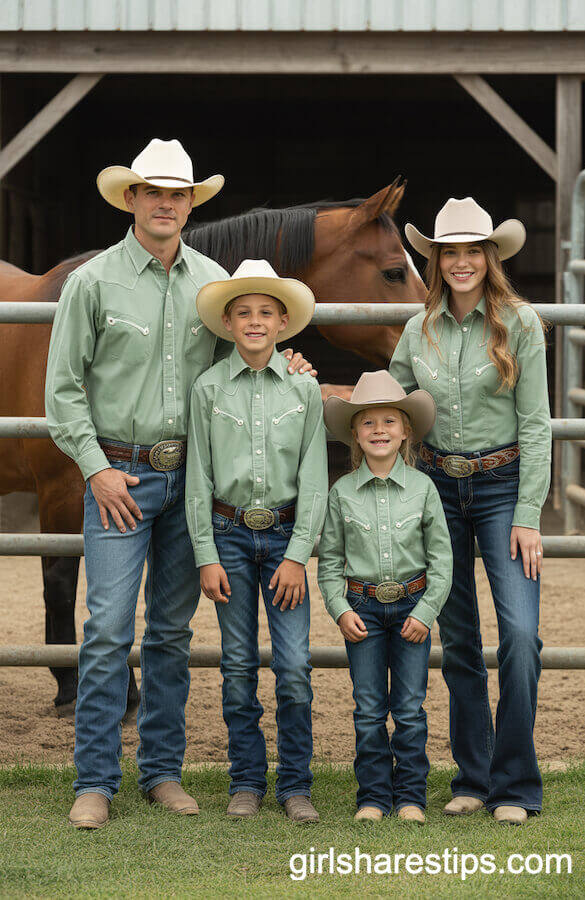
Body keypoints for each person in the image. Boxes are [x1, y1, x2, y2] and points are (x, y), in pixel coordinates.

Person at [45, 140, 314, 830]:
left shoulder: (213, 284)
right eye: (154, 193)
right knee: (106, 628)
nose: (167, 204)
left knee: (168, 631)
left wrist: (292, 367)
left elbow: (245, 362)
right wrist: (97, 468)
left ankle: (161, 771)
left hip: (190, 480)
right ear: (130, 199)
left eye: (179, 195)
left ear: (191, 205)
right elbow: (64, 390)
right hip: (117, 475)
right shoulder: (94, 282)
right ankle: (96, 779)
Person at [390, 197, 552, 825]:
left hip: (503, 487)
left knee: (518, 635)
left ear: (490, 257)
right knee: (458, 637)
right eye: (448, 252)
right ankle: (474, 777)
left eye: (471, 251)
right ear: (436, 260)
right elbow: (396, 406)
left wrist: (529, 513)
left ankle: (516, 783)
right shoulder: (417, 330)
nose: (461, 262)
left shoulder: (520, 323)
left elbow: (537, 424)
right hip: (437, 490)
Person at [186, 259, 328, 823]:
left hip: (287, 537)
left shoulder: (304, 389)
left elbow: (316, 476)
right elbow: (198, 472)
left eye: (265, 312)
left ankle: (296, 784)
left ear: (283, 322)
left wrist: (298, 556)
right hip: (229, 537)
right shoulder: (208, 388)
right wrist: (205, 553)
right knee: (239, 664)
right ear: (227, 321)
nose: (254, 321)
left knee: (294, 665)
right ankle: (245, 780)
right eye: (243, 312)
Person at [317, 371, 452, 823]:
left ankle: (411, 795)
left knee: (410, 709)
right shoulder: (341, 493)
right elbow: (330, 562)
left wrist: (428, 611)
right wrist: (339, 610)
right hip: (363, 612)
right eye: (368, 423)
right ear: (354, 433)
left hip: (414, 609)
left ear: (406, 430)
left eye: (389, 422)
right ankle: (373, 797)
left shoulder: (424, 489)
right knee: (369, 709)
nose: (379, 431)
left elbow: (443, 560)